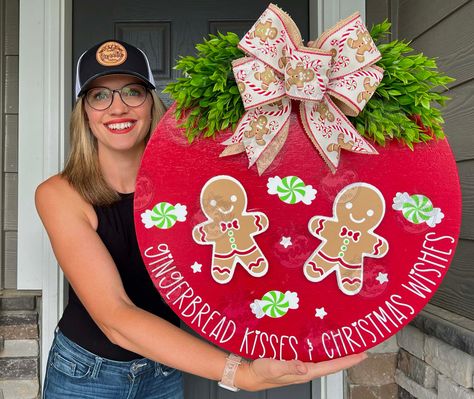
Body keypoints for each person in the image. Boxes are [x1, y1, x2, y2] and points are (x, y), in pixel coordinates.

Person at [36, 39, 367, 399]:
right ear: (84, 112)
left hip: (163, 369)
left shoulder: (196, 188)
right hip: (85, 374)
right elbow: (115, 317)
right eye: (100, 96)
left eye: (132, 92)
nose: (118, 108)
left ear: (151, 103)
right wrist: (242, 374)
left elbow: (265, 234)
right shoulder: (59, 195)